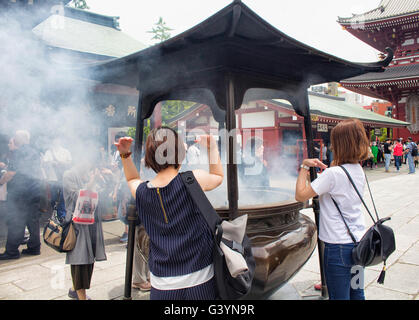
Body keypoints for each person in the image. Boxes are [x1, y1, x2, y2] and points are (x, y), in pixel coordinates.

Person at [115, 127, 223, 300]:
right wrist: (212, 148)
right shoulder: (193, 179)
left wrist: (124, 154)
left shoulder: (142, 191)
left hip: (162, 285)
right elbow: (218, 176)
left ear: (150, 157)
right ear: (180, 153)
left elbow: (132, 179)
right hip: (201, 279)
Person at [295, 119, 368, 300]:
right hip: (359, 244)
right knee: (357, 292)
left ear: (339, 144)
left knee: (339, 297)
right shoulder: (358, 169)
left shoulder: (332, 174)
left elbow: (300, 195)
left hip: (338, 249)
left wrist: (304, 166)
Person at [63, 154, 107, 300]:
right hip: (78, 225)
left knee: (89, 259)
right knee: (80, 260)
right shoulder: (69, 175)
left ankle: (75, 289)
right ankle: (81, 296)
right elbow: (77, 197)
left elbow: (101, 195)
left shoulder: (88, 175)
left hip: (91, 223)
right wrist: (91, 183)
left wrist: (104, 180)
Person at [0, 130, 42, 260]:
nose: (14, 138)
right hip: (34, 190)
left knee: (16, 221)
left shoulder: (19, 152)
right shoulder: (34, 151)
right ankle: (34, 248)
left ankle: (12, 252)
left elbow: (11, 173)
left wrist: (1, 182)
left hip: (21, 193)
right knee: (33, 220)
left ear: (22, 138)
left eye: (16, 137)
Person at [42, 138, 72, 220]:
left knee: (63, 197)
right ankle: (54, 213)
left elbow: (70, 163)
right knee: (53, 198)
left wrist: (62, 163)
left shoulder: (66, 152)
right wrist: (51, 163)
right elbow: (44, 163)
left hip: (63, 177)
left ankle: (61, 215)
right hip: (52, 178)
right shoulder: (48, 152)